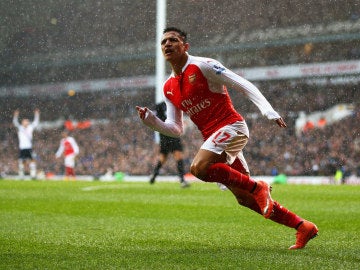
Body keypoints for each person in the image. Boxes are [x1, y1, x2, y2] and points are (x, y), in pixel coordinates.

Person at [136, 27, 318, 249]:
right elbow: (175, 128)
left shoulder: (203, 65)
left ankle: (258, 186)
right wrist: (152, 122)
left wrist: (267, 110)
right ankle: (302, 226)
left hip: (232, 127)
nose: (167, 44)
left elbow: (241, 83)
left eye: (173, 40)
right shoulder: (168, 88)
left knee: (199, 168)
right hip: (216, 139)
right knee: (245, 199)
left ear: (185, 46)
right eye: (163, 42)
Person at [150, 101, 190, 188]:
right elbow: (156, 119)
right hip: (168, 134)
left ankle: (154, 175)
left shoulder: (173, 104)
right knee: (168, 157)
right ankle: (182, 180)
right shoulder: (162, 105)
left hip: (169, 134)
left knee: (166, 158)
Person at [12, 109, 40, 179]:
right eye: (25, 121)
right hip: (22, 147)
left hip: (29, 147)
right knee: (22, 161)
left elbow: (36, 122)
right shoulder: (20, 128)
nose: (26, 122)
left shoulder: (30, 127)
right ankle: (21, 175)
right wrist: (15, 115)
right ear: (22, 122)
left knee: (32, 160)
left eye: (27, 121)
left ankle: (33, 175)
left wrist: (37, 114)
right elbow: (15, 122)